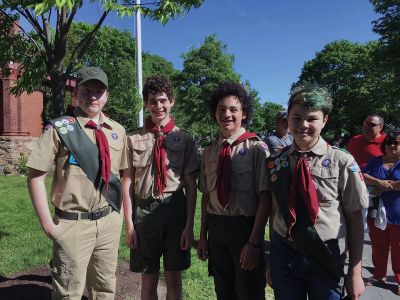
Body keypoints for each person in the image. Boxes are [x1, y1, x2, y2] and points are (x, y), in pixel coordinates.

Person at [26, 66, 128, 300]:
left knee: (105, 288)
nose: (93, 96)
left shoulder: (118, 131)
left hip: (108, 221)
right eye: (86, 90)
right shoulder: (61, 129)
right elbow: (35, 176)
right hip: (72, 223)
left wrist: (121, 218)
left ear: (106, 96)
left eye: (99, 91)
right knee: (68, 292)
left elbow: (124, 178)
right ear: (76, 93)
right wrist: (48, 226)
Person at [266, 83, 369, 300]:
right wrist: (272, 261)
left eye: (312, 118)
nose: (303, 125)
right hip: (284, 252)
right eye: (296, 118)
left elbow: (355, 218)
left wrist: (355, 272)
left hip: (326, 254)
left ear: (324, 120)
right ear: (288, 120)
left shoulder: (342, 161)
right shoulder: (276, 161)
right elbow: (275, 212)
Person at [122, 75, 198, 300]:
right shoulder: (133, 138)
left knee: (174, 279)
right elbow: (127, 181)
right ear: (146, 103)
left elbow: (191, 185)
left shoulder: (184, 139)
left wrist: (189, 225)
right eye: (153, 101)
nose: (158, 106)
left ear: (172, 101)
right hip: (145, 213)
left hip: (175, 210)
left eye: (163, 100)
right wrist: (129, 225)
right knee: (148, 279)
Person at [197, 82, 270, 299]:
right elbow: (206, 197)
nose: (226, 114)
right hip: (217, 230)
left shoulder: (257, 149)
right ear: (214, 113)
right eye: (221, 109)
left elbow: (265, 198)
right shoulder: (210, 152)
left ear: (244, 113)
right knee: (223, 291)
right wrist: (203, 237)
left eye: (233, 109)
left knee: (249, 292)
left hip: (246, 229)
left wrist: (254, 243)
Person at [362, 130, 400, 295]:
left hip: (398, 212)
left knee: (399, 248)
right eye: (390, 142)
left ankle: (399, 279)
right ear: (384, 145)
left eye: (397, 142)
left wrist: (385, 187)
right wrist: (379, 182)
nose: (393, 145)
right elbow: (361, 175)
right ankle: (379, 275)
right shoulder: (376, 161)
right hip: (376, 210)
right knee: (379, 245)